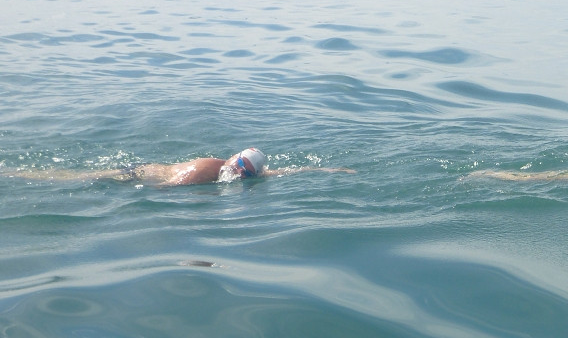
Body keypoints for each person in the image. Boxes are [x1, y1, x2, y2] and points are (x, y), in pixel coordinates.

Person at [5, 147, 354, 187]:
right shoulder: (207, 169)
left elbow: (287, 172)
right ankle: (15, 174)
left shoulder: (249, 174)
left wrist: (331, 172)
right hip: (139, 174)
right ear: (231, 160)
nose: (239, 173)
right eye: (239, 167)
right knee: (71, 179)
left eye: (246, 173)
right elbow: (165, 189)